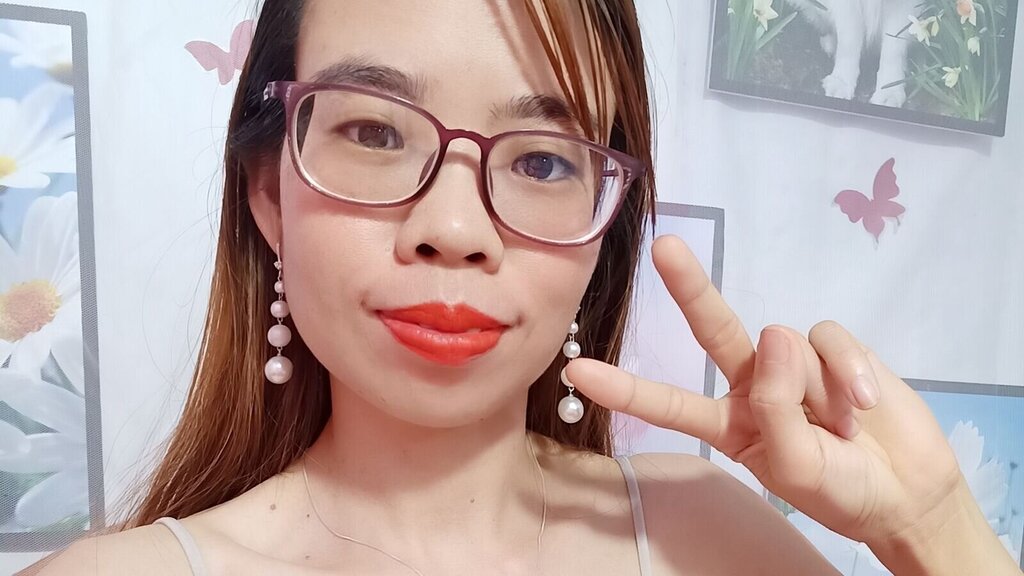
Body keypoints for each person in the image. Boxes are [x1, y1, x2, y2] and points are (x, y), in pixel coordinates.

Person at [29, 0, 1020, 574]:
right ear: (267, 193)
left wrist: (933, 528)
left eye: (543, 161)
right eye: (373, 131)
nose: (455, 231)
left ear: (602, 228)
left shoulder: (703, 534)